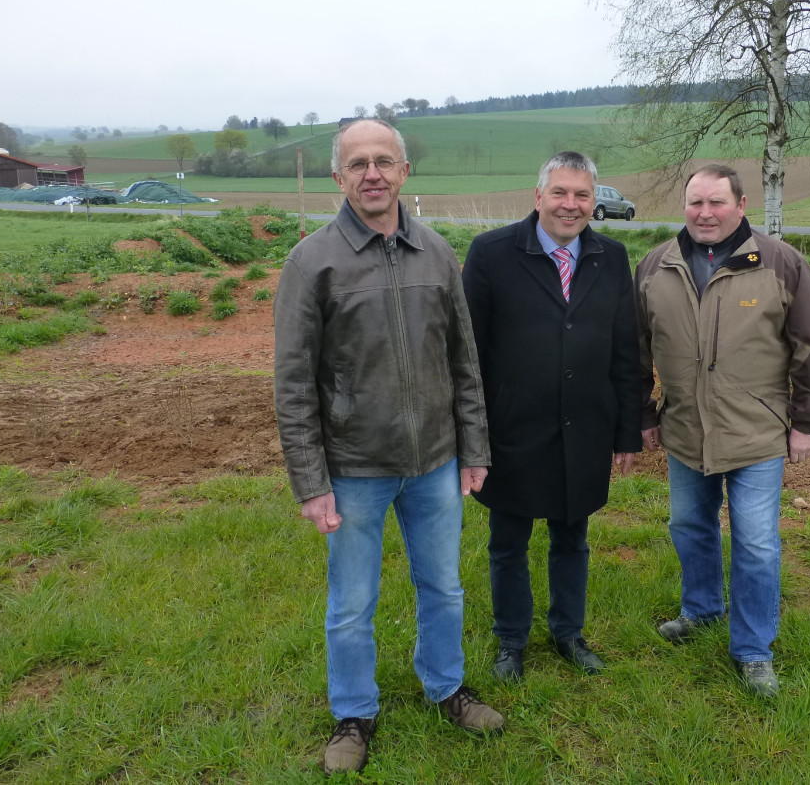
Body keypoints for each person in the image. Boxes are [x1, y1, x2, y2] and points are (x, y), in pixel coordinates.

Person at [273, 119, 504, 775]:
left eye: (384, 161)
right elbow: (293, 383)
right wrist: (311, 482)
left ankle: (448, 686)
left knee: (444, 588)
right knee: (351, 603)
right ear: (338, 177)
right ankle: (354, 712)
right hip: (353, 469)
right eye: (357, 163)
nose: (372, 173)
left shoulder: (436, 252)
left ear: (405, 172)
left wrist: (474, 448)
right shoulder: (311, 262)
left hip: (434, 463)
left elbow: (464, 360)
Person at [634, 163, 810, 697]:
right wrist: (642, 414)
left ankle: (752, 649)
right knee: (689, 526)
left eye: (717, 202)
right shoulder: (657, 265)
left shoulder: (780, 263)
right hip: (684, 430)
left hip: (756, 434)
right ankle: (701, 610)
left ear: (742, 205)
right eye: (695, 202)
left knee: (757, 544)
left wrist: (807, 422)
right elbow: (633, 350)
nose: (705, 213)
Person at [461, 151, 642, 681]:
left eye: (582, 195)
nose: (570, 204)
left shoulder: (611, 257)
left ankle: (568, 633)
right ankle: (510, 642)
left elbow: (624, 348)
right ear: (537, 196)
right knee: (508, 541)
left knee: (572, 537)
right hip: (511, 429)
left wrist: (626, 430)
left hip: (584, 427)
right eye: (559, 193)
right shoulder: (492, 253)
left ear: (594, 202)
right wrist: (470, 434)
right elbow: (467, 351)